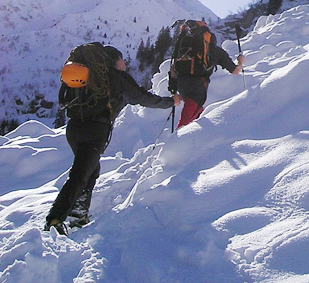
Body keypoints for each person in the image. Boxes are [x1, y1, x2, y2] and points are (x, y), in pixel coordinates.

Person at [45, 44, 180, 234]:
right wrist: (169, 102)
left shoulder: (91, 78)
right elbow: (142, 97)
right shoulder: (116, 78)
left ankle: (79, 213)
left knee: (89, 170)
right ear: (114, 61)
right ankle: (55, 218)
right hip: (95, 131)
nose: (124, 63)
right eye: (121, 59)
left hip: (74, 129)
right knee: (80, 175)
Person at [169, 22, 245, 128]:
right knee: (185, 123)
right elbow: (235, 71)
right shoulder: (215, 51)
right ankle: (174, 142)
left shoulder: (185, 49)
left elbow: (173, 69)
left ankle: (199, 138)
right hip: (197, 87)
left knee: (198, 114)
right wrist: (240, 62)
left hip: (181, 85)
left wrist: (173, 91)